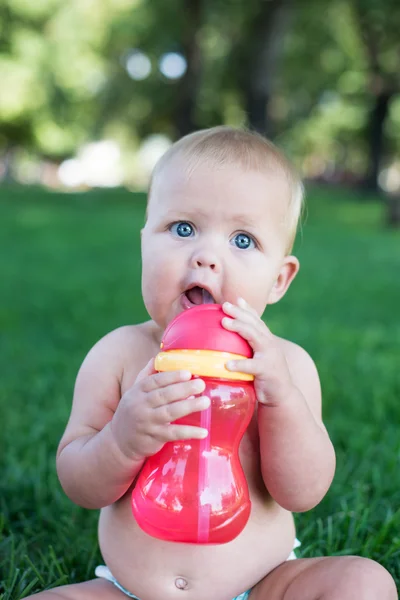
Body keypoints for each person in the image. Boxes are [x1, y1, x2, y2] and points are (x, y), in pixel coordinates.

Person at [27, 127, 397, 600]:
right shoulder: (119, 355)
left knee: (364, 583)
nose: (205, 257)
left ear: (279, 280)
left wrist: (280, 400)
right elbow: (80, 484)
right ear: (144, 243)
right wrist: (121, 440)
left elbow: (302, 493)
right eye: (183, 229)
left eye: (243, 241)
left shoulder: (286, 366)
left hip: (262, 587)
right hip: (129, 591)